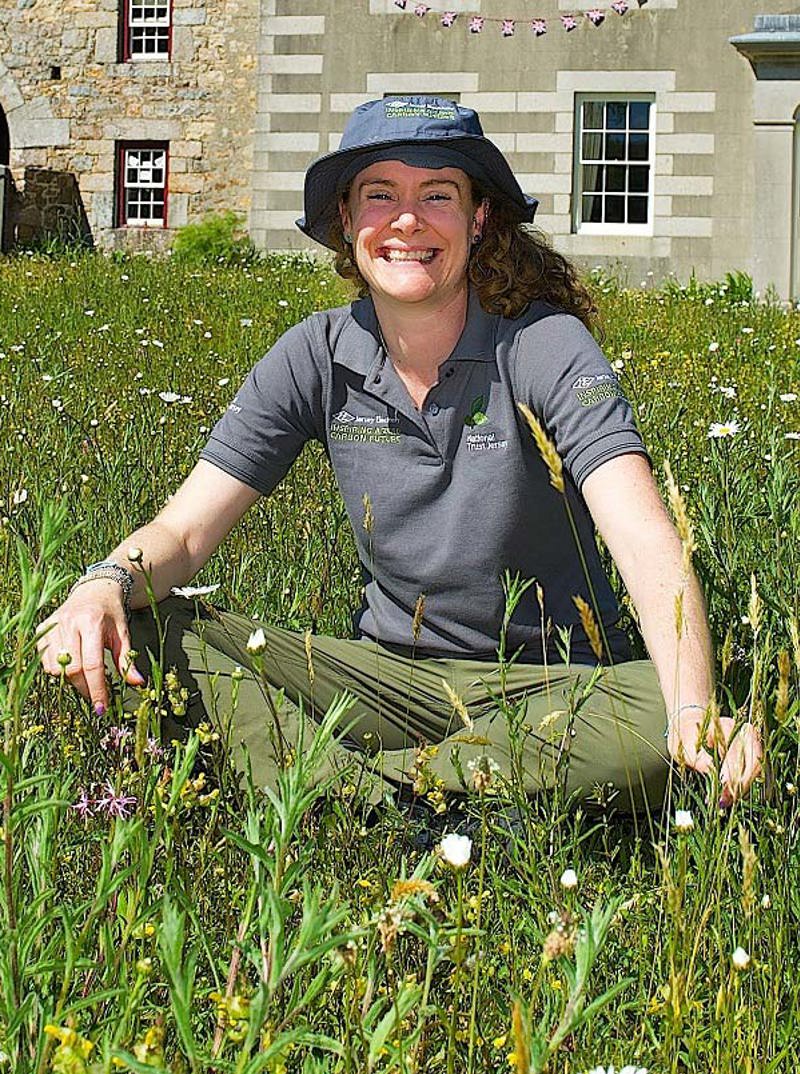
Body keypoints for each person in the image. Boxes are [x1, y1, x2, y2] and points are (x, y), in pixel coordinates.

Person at [37, 95, 761, 813]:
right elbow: (184, 533)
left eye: (437, 195)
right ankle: (420, 794)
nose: (407, 219)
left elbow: (644, 538)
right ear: (348, 220)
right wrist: (103, 581)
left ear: (478, 220)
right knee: (134, 625)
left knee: (668, 722)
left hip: (553, 688)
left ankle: (336, 795)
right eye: (380, 194)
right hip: (382, 678)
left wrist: (692, 706)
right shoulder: (316, 354)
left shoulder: (544, 344)